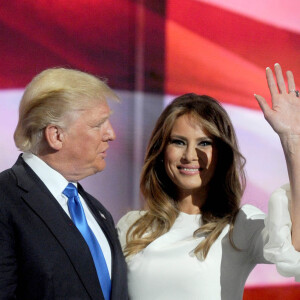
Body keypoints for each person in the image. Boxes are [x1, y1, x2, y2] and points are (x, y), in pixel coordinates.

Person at [117, 63, 300, 300]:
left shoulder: (239, 227)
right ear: (161, 152)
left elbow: (295, 247)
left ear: (222, 155)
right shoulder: (131, 227)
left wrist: (292, 140)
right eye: (179, 142)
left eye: (204, 143)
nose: (190, 155)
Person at [0, 68, 128, 299]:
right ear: (56, 135)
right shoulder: (4, 198)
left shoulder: (98, 212)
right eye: (98, 124)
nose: (110, 134)